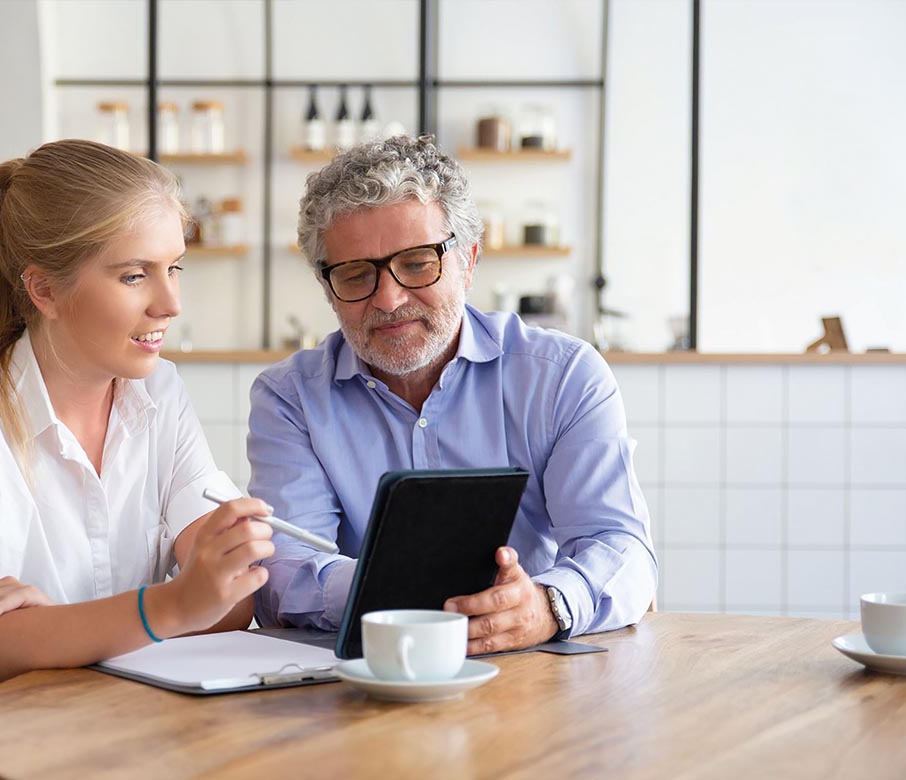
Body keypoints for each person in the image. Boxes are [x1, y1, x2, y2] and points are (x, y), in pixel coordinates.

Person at [0, 139, 273, 780]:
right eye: (135, 275)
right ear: (44, 289)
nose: (170, 303)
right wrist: (166, 607)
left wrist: (48, 629)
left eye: (175, 267)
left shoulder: (159, 394)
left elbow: (229, 597)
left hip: (117, 717)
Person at [248, 135, 656, 654]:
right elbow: (280, 571)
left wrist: (549, 604)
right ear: (328, 289)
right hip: (367, 678)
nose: (390, 299)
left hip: (534, 673)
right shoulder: (289, 399)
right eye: (356, 275)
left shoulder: (564, 376)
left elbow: (621, 548)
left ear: (469, 261)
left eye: (418, 263)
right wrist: (416, 589)